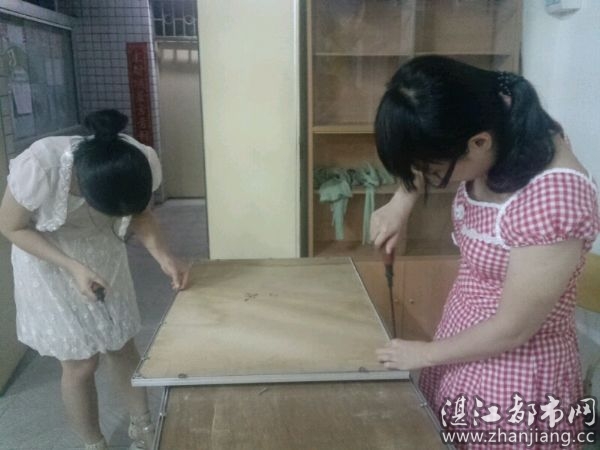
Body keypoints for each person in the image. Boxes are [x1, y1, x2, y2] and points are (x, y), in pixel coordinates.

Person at [371, 56, 599, 449]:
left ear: (479, 143)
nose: (430, 177)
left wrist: (425, 354)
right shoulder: (495, 111)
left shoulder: (555, 198)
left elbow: (514, 328)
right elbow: (430, 146)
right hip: (459, 343)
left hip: (515, 376)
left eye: (434, 170)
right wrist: (401, 201)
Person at [0, 109, 190, 450]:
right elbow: (11, 226)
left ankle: (143, 425)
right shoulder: (41, 165)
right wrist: (72, 267)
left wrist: (164, 257)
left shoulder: (136, 159)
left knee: (121, 344)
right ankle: (93, 443)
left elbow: (140, 213)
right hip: (49, 262)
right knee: (80, 363)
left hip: (104, 255)